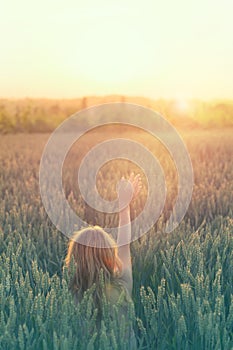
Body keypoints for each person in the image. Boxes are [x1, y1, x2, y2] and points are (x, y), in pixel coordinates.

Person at [64, 173, 142, 349]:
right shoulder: (122, 284)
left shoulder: (69, 297)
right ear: (109, 255)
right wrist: (124, 207)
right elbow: (124, 245)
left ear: (75, 259)